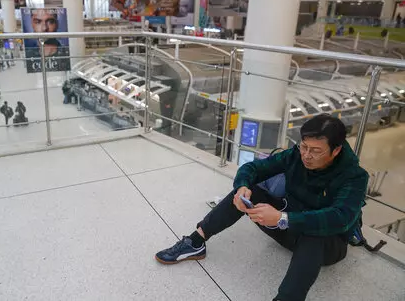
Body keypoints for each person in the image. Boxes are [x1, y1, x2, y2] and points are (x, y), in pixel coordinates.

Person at [155, 114, 368, 301]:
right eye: (304, 146)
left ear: (336, 150)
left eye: (315, 151)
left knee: (317, 229)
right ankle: (196, 241)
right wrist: (242, 187)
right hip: (285, 225)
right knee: (250, 191)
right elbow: (254, 168)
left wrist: (283, 219)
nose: (306, 155)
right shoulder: (296, 155)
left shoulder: (354, 176)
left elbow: (340, 218)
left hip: (325, 247)